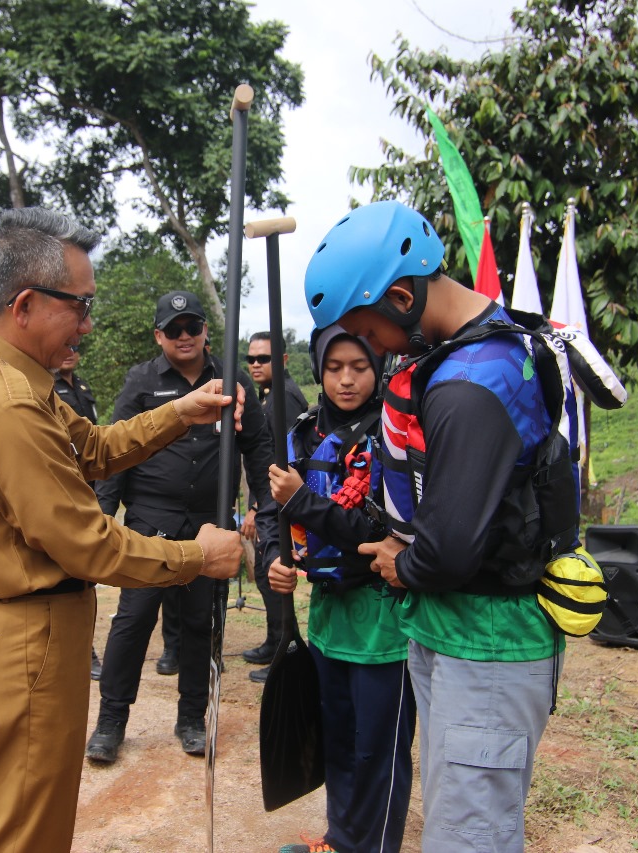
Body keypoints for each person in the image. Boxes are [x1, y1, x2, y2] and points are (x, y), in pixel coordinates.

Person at [0, 208, 244, 852]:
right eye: (80, 306)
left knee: (23, 821)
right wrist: (196, 556)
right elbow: (86, 542)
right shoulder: (9, 404)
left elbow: (94, 448)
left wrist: (179, 413)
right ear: (25, 303)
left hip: (17, 633)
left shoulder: (1, 373)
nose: (88, 325)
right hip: (25, 644)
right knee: (27, 835)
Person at [306, 200, 565, 851]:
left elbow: (448, 550)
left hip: (487, 640)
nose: (375, 351)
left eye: (371, 333)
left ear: (399, 296)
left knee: (469, 832)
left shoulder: (472, 382)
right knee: (457, 809)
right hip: (455, 631)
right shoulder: (469, 352)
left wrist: (399, 560)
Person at [87, 290, 273, 764]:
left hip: (209, 520)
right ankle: (111, 721)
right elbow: (114, 452)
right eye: (174, 329)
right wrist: (103, 516)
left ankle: (192, 718)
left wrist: (266, 507)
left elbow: (258, 447)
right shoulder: (141, 381)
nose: (184, 336)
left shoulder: (231, 380)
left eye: (192, 326)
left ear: (206, 330)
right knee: (134, 618)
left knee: (199, 621)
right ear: (159, 336)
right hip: (151, 516)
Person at [259, 325, 415, 853]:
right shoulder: (302, 432)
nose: (346, 380)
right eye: (334, 368)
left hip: (383, 622)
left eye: (359, 367)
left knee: (380, 750)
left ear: (379, 369)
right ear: (319, 370)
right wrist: (275, 562)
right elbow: (271, 516)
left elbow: (380, 534)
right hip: (328, 620)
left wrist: (304, 502)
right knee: (340, 742)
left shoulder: (395, 434)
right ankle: (341, 840)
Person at [240, 329, 309, 682]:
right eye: (250, 358)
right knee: (269, 579)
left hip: (276, 505)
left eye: (263, 358)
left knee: (276, 576)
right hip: (268, 501)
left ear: (281, 360)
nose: (254, 364)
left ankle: (285, 649)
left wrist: (256, 507)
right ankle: (273, 641)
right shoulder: (269, 395)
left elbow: (285, 461)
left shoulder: (285, 398)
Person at [51, 346, 105, 680]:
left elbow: (92, 440)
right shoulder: (46, 389)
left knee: (85, 578)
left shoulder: (81, 388)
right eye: (63, 348)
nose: (69, 354)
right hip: (60, 494)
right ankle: (79, 651)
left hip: (87, 489)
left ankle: (86, 648)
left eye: (75, 349)